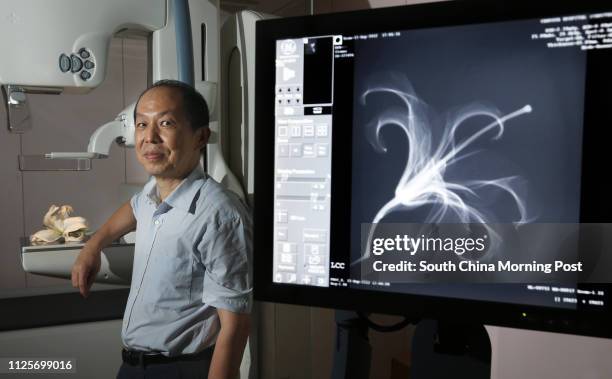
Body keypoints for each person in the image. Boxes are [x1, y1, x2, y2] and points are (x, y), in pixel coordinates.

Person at [71, 80, 252, 379]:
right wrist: (93, 245)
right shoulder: (153, 193)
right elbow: (132, 209)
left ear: (200, 137)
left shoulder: (218, 214)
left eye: (165, 123)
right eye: (142, 124)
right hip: (132, 367)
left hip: (180, 369)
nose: (149, 137)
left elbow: (235, 326)